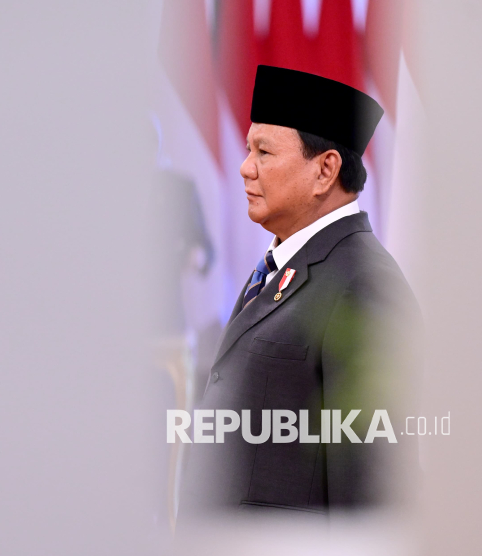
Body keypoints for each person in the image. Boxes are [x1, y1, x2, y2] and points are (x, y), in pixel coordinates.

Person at [176, 66, 421, 521]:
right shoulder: (281, 266)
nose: (245, 167)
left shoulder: (363, 284)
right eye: (249, 149)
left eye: (264, 151)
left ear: (325, 169)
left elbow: (373, 497)